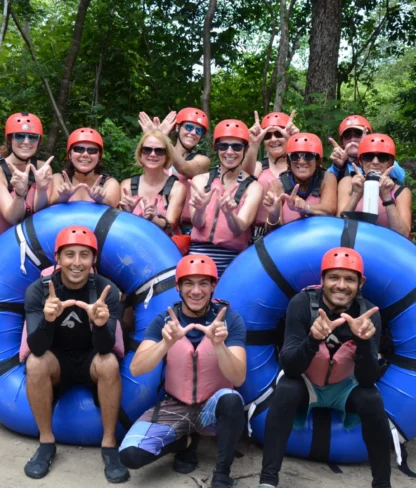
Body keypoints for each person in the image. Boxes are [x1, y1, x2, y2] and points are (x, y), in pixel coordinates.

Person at [257, 247, 391, 488]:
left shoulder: (368, 315)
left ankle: (382, 484)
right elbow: (290, 366)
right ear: (322, 280)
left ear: (361, 283)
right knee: (286, 389)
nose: (341, 285)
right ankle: (267, 481)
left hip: (345, 388)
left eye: (350, 279)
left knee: (371, 398)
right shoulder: (301, 304)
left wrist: (362, 342)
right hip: (305, 384)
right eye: (334, 278)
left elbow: (368, 379)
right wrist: (312, 339)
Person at [119, 254, 246, 488]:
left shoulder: (229, 320)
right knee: (130, 456)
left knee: (231, 399)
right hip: (175, 405)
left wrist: (220, 346)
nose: (196, 291)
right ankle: (185, 443)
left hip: (213, 408)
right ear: (178, 286)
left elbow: (238, 377)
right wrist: (165, 343)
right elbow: (137, 368)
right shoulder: (164, 321)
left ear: (213, 286)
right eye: (189, 283)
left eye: (203, 283)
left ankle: (221, 475)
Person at [23, 226, 129, 483]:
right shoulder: (39, 291)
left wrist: (101, 324)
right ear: (58, 259)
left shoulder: (106, 291)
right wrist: (48, 320)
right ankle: (46, 443)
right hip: (56, 360)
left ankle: (109, 445)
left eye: (85, 255)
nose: (77, 263)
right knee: (35, 362)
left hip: (92, 358)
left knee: (109, 363)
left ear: (94, 260)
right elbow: (37, 348)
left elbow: (105, 348)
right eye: (70, 254)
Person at [189, 120, 263, 277]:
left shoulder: (253, 186)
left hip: (233, 258)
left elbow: (239, 228)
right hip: (198, 253)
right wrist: (200, 210)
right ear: (216, 148)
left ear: (245, 149)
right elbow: (197, 223)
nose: (230, 152)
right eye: (223, 146)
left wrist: (229, 214)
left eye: (237, 147)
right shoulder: (201, 180)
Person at [138, 108, 211, 234]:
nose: (193, 132)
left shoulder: (202, 160)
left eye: (198, 130)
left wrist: (162, 137)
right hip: (154, 220)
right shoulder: (158, 155)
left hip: (185, 229)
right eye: (188, 127)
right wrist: (155, 139)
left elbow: (184, 168)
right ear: (177, 128)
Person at [337, 134, 412, 237]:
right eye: (368, 157)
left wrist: (387, 198)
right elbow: (338, 226)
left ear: (390, 162)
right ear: (361, 161)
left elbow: (403, 234)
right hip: (353, 246)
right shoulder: (347, 182)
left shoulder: (401, 191)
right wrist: (356, 194)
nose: (375, 162)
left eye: (382, 157)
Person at [119, 130, 186, 240]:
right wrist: (127, 212)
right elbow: (121, 225)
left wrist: (154, 218)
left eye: (159, 151)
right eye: (147, 150)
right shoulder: (127, 185)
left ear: (167, 155)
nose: (152, 154)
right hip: (131, 244)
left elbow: (171, 224)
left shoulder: (177, 188)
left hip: (164, 247)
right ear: (140, 154)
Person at [263, 133, 337, 229]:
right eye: (295, 157)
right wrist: (274, 215)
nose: (301, 161)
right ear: (289, 161)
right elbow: (271, 233)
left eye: (309, 156)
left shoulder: (327, 178)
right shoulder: (277, 185)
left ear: (317, 160)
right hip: (289, 240)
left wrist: (305, 208)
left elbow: (329, 210)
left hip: (320, 238)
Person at [244, 111, 299, 239]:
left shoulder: (301, 166)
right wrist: (253, 143)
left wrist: (296, 141)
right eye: (268, 136)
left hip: (295, 232)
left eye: (279, 134)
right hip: (261, 233)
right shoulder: (259, 167)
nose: (273, 139)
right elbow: (243, 177)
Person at [0, 112, 53, 234]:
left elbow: (41, 212)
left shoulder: (42, 167)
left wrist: (41, 189)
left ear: (39, 142)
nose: (26, 142)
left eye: (33, 137)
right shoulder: (1, 171)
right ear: (10, 139)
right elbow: (13, 218)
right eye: (19, 136)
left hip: (34, 241)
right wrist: (19, 193)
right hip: (5, 244)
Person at [49, 128, 120, 207]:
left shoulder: (109, 183)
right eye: (79, 149)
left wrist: (102, 199)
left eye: (92, 150)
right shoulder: (59, 179)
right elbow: (49, 204)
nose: (85, 154)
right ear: (69, 155)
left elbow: (113, 204)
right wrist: (62, 198)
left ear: (99, 156)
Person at [328, 114, 405, 183]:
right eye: (347, 136)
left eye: (358, 134)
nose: (352, 139)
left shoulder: (380, 159)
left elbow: (401, 178)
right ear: (342, 143)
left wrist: (368, 149)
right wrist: (339, 167)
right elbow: (327, 184)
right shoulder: (337, 165)